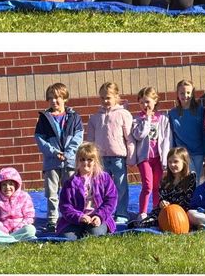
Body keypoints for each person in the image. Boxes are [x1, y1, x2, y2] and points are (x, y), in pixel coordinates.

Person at [34, 81, 84, 233]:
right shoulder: (44, 118)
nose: (54, 101)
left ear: (65, 98)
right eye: (50, 98)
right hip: (52, 163)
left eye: (57, 98)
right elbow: (40, 139)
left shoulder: (74, 117)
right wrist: (54, 153)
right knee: (51, 193)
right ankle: (52, 220)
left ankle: (71, 217)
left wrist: (68, 154)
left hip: (69, 162)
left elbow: (78, 137)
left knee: (71, 191)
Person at [86, 82, 134, 223]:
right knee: (100, 188)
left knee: (121, 187)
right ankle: (101, 213)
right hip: (101, 159)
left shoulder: (123, 114)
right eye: (102, 98)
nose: (105, 101)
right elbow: (90, 141)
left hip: (118, 158)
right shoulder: (95, 118)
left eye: (108, 97)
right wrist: (91, 158)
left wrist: (131, 156)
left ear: (116, 97)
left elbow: (129, 137)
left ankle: (122, 213)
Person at [58, 143, 118, 239]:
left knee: (95, 233)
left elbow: (111, 200)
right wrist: (79, 217)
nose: (86, 163)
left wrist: (100, 216)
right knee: (67, 237)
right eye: (82, 159)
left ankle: (91, 229)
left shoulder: (105, 178)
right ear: (77, 161)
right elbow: (65, 206)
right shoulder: (70, 182)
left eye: (89, 159)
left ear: (95, 161)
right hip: (75, 220)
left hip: (97, 218)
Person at [131, 86, 172, 221]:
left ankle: (155, 211)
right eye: (142, 102)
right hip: (145, 158)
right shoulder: (137, 120)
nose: (145, 105)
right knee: (147, 185)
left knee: (157, 186)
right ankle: (142, 212)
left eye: (147, 101)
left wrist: (165, 159)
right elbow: (139, 135)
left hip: (158, 158)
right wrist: (147, 120)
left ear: (155, 101)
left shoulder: (163, 118)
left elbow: (167, 139)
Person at [0, 167, 37, 246]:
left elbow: (29, 216)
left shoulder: (24, 196)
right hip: (3, 230)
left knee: (31, 229)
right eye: (4, 185)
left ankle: (3, 241)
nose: (7, 187)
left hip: (20, 228)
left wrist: (19, 227)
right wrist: (3, 228)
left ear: (16, 185)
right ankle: (16, 240)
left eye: (11, 184)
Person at [169, 79, 205, 181]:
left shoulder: (200, 111)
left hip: (199, 152)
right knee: (190, 180)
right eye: (182, 93)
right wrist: (173, 153)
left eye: (188, 93)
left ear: (192, 93)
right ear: (177, 94)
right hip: (184, 154)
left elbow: (204, 133)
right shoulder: (172, 114)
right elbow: (172, 135)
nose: (185, 95)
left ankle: (199, 197)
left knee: (200, 180)